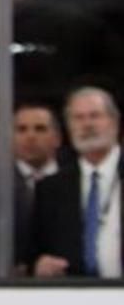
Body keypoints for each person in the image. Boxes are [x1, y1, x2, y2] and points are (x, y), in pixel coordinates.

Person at [26, 87, 121, 280]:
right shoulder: (50, 188)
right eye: (78, 118)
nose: (87, 124)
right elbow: (34, 252)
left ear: (114, 122)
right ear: (68, 128)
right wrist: (39, 264)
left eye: (95, 116)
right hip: (72, 299)